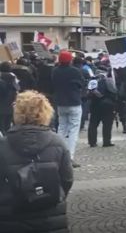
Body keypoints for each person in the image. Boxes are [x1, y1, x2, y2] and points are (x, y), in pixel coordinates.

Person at [0, 91, 75, 233]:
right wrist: (53, 195)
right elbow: (67, 178)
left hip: (12, 215)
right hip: (49, 213)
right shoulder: (57, 142)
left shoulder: (2, 145)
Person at [51, 51, 86, 168]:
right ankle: (69, 158)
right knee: (73, 131)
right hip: (74, 102)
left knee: (61, 129)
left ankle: (57, 155)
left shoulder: (55, 71)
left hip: (61, 103)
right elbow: (81, 84)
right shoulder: (75, 71)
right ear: (70, 60)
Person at [87, 66, 118, 148]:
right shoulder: (108, 80)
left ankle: (92, 142)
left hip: (94, 105)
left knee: (93, 123)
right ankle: (106, 141)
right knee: (107, 124)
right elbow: (114, 91)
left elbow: (88, 93)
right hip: (107, 105)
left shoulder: (92, 81)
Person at [0, 61, 19, 133]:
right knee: (7, 125)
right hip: (10, 105)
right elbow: (17, 89)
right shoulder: (13, 77)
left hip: (1, 105)